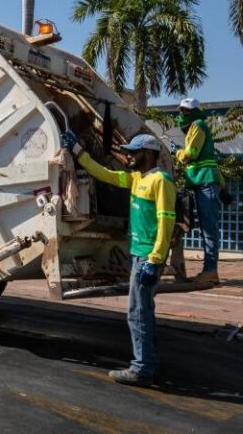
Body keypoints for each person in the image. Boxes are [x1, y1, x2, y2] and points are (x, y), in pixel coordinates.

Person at [62, 132, 176, 387]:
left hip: (148, 256)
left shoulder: (161, 180)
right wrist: (79, 151)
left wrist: (155, 259)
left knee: (136, 312)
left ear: (148, 154)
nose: (128, 156)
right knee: (143, 311)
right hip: (139, 254)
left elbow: (166, 221)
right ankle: (149, 364)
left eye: (133, 152)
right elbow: (105, 174)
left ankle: (141, 369)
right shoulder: (137, 179)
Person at [170, 98, 223, 284]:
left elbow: (191, 154)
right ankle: (209, 270)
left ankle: (210, 271)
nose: (182, 114)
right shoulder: (196, 127)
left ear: (195, 112)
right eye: (182, 111)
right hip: (204, 182)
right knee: (207, 228)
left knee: (209, 229)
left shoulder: (198, 125)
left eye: (186, 111)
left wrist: (176, 152)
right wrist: (222, 186)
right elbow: (211, 160)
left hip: (205, 183)